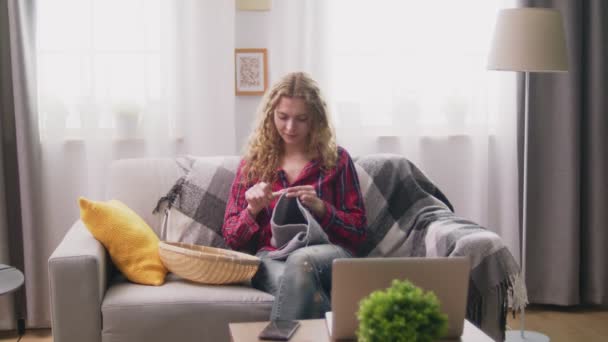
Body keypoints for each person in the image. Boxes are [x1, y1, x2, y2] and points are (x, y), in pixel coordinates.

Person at [222, 72, 367, 321]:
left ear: (315, 120)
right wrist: (252, 210)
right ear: (271, 115)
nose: (290, 127)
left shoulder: (337, 160)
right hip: (272, 256)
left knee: (301, 261)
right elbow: (232, 238)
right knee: (297, 287)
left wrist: (322, 208)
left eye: (301, 119)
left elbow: (359, 232)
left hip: (329, 253)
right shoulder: (253, 164)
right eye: (283, 117)